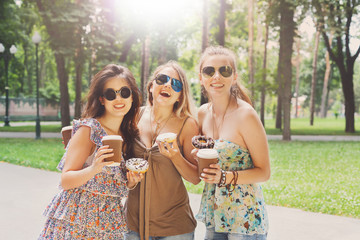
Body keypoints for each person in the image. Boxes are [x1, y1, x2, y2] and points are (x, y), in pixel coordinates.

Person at [38, 64, 144, 239]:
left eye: (124, 92)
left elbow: (113, 184)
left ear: (132, 96)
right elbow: (65, 180)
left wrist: (131, 182)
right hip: (76, 222)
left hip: (108, 223)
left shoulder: (128, 135)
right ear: (102, 99)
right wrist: (94, 168)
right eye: (111, 94)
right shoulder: (89, 130)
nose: (119, 99)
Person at [195, 46, 270, 240]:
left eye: (224, 70)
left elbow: (264, 172)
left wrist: (224, 177)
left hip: (244, 218)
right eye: (209, 71)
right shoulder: (202, 113)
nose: (216, 76)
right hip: (215, 213)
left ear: (234, 76)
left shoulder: (246, 115)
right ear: (201, 77)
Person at [125, 60, 200, 240]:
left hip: (174, 227)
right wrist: (130, 181)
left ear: (180, 96)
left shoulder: (187, 124)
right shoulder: (135, 116)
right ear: (151, 87)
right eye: (162, 79)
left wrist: (175, 156)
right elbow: (121, 164)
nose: (167, 84)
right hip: (133, 224)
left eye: (175, 84)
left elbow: (196, 178)